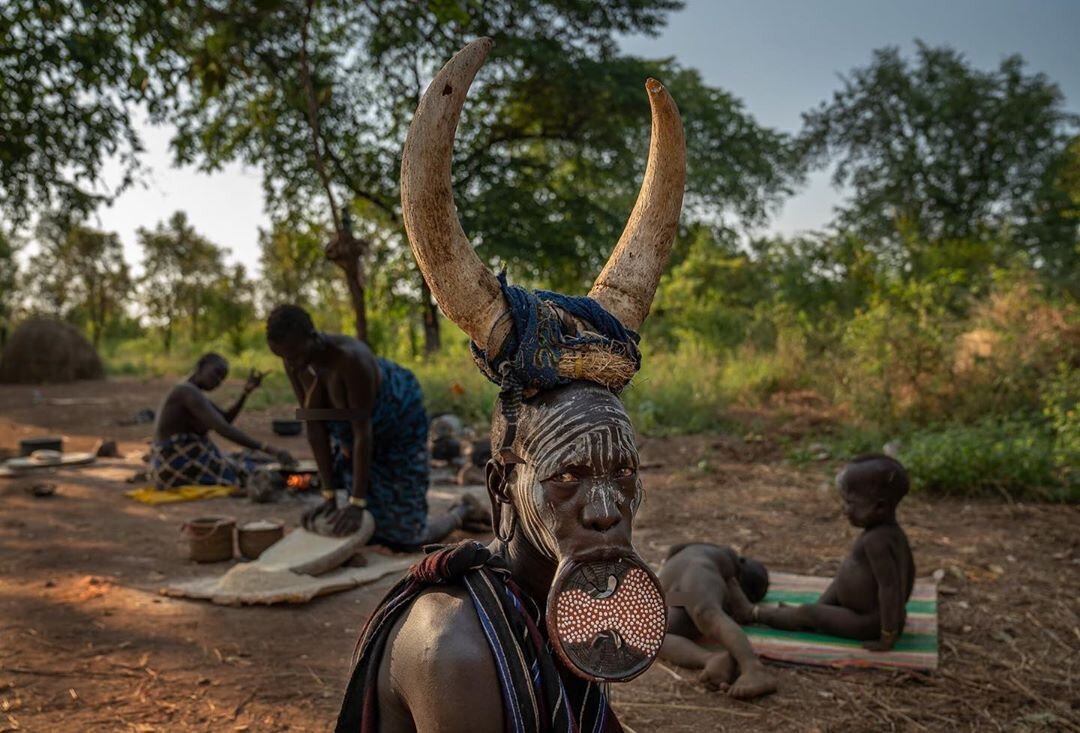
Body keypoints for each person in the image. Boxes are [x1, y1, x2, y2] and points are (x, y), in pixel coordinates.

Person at [335, 37, 686, 732]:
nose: (607, 507)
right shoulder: (456, 650)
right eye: (568, 477)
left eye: (623, 472)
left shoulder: (571, 604)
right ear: (502, 486)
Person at [265, 304, 487, 546]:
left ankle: (463, 509)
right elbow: (315, 428)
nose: (293, 364)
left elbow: (363, 433)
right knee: (365, 529)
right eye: (285, 358)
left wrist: (356, 503)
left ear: (312, 337)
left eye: (296, 355)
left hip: (398, 425)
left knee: (407, 537)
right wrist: (329, 498)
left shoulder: (350, 359)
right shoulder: (294, 361)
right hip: (355, 432)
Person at [755, 454, 916, 650]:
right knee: (830, 592)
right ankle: (810, 614)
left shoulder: (878, 541)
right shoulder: (888, 533)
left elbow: (890, 588)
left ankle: (754, 614)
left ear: (880, 507)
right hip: (862, 610)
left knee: (808, 613)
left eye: (851, 503)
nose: (844, 509)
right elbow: (910, 572)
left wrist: (888, 633)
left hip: (867, 622)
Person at [151, 353, 293, 490]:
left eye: (221, 379)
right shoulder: (186, 392)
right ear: (200, 367)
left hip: (181, 460)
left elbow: (225, 419)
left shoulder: (192, 391)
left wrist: (245, 393)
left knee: (255, 461)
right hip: (178, 463)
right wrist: (268, 448)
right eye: (216, 374)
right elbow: (223, 428)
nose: (218, 382)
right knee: (254, 472)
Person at [658, 543, 778, 698]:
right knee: (703, 614)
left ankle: (753, 669)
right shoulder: (727, 556)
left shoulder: (711, 563)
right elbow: (740, 603)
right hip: (688, 579)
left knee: (656, 633)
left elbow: (674, 549)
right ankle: (726, 661)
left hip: (677, 592)